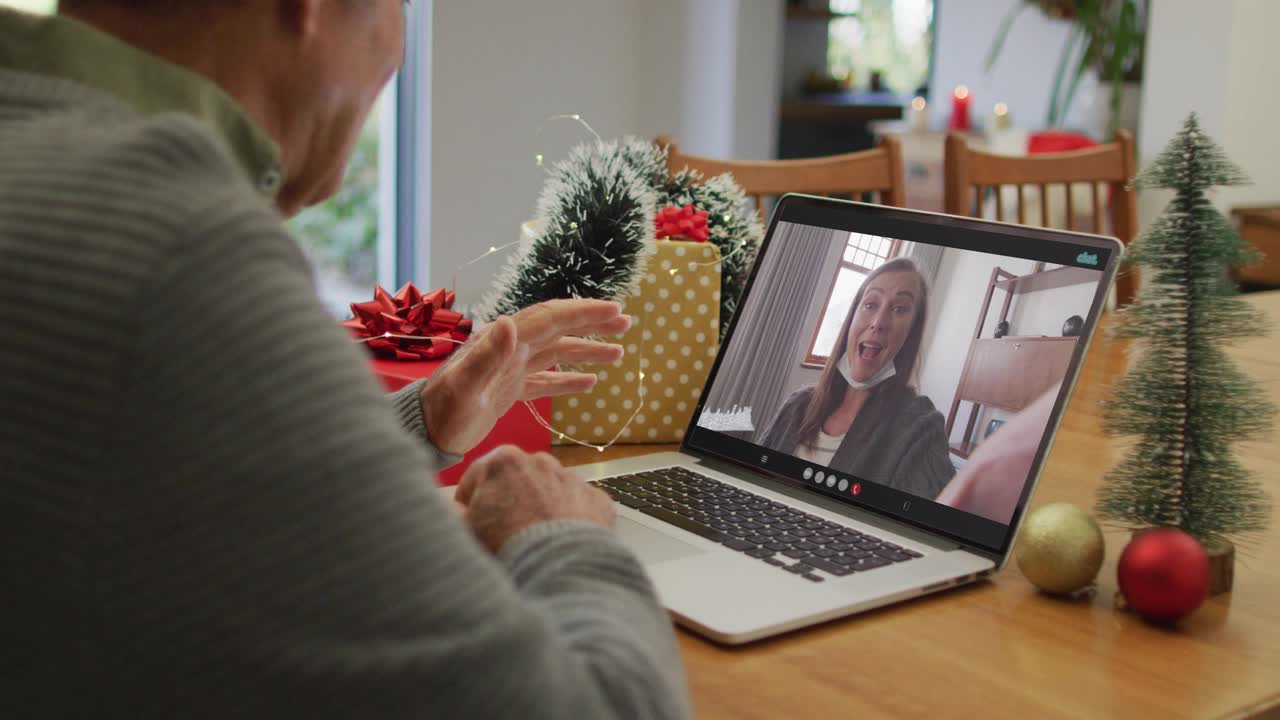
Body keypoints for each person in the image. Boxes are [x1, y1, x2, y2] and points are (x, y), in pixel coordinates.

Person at [0, 2, 688, 718]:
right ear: (313, 9)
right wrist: (559, 533)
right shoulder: (179, 246)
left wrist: (423, 421)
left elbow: (172, 474)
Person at [758, 257, 955, 498]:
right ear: (852, 319)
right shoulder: (797, 406)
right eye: (871, 304)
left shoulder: (921, 429)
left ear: (911, 335)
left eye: (899, 309)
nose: (878, 323)